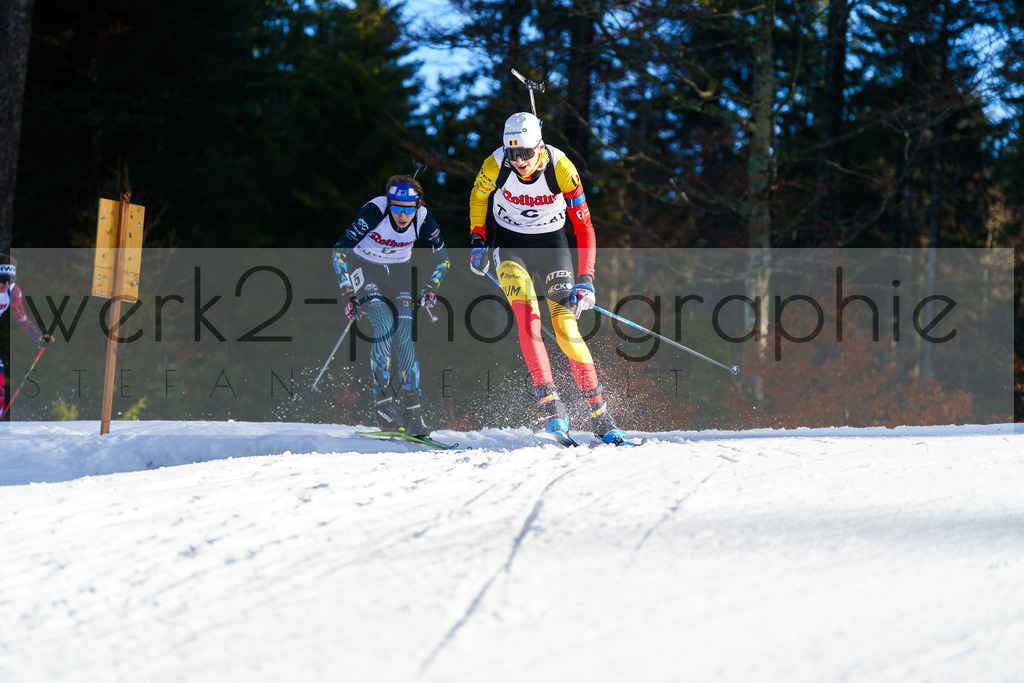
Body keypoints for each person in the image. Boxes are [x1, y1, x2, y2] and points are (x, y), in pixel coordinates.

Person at [467, 112, 626, 445]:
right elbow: (479, 196)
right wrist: (478, 238)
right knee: (528, 318)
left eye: (525, 152)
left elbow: (584, 227)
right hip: (510, 246)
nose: (520, 161)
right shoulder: (496, 165)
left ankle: (599, 414)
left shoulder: (562, 168)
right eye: (513, 153)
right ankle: (551, 405)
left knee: (566, 327)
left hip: (553, 246)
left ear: (539, 146)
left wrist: (586, 278)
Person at [332, 175, 450, 435]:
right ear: (389, 203)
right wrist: (347, 292)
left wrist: (432, 288)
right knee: (385, 324)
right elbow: (339, 250)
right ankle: (383, 404)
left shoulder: (423, 220)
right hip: (365, 267)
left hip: (398, 273)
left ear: (417, 206)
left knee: (405, 336)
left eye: (408, 209)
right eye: (396, 207)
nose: (402, 215)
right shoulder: (374, 211)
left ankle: (413, 411)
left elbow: (443, 260)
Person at [1, 254, 51, 415]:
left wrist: (38, 336)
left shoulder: (13, 292)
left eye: (10, 279)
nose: (6, 284)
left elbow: (21, 319)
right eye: (2, 279)